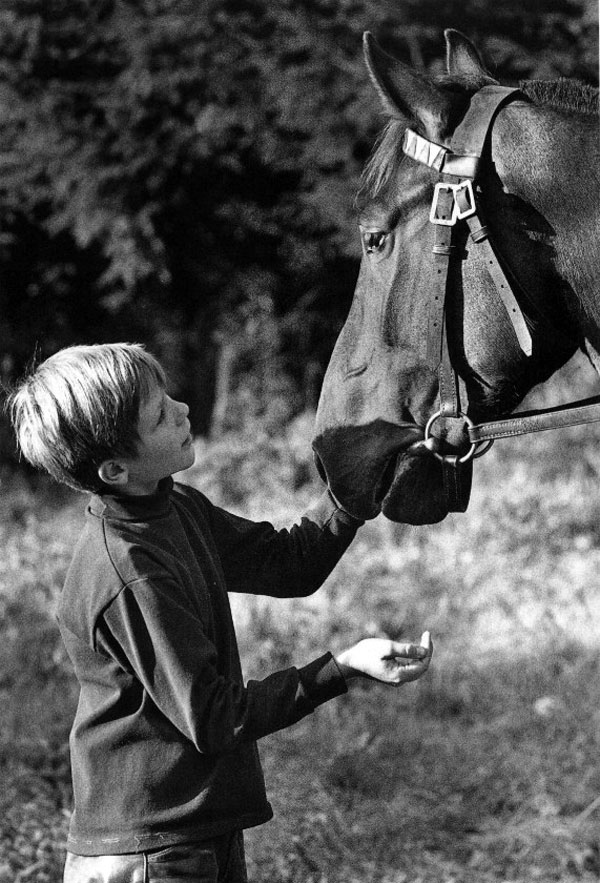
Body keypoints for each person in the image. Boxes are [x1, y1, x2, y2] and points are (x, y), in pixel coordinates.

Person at [9, 343, 433, 883]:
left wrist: (354, 487)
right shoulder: (130, 571)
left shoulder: (174, 506)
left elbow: (287, 565)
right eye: (160, 414)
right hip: (148, 853)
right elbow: (214, 719)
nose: (183, 410)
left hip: (192, 832)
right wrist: (342, 668)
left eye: (168, 396)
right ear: (116, 468)